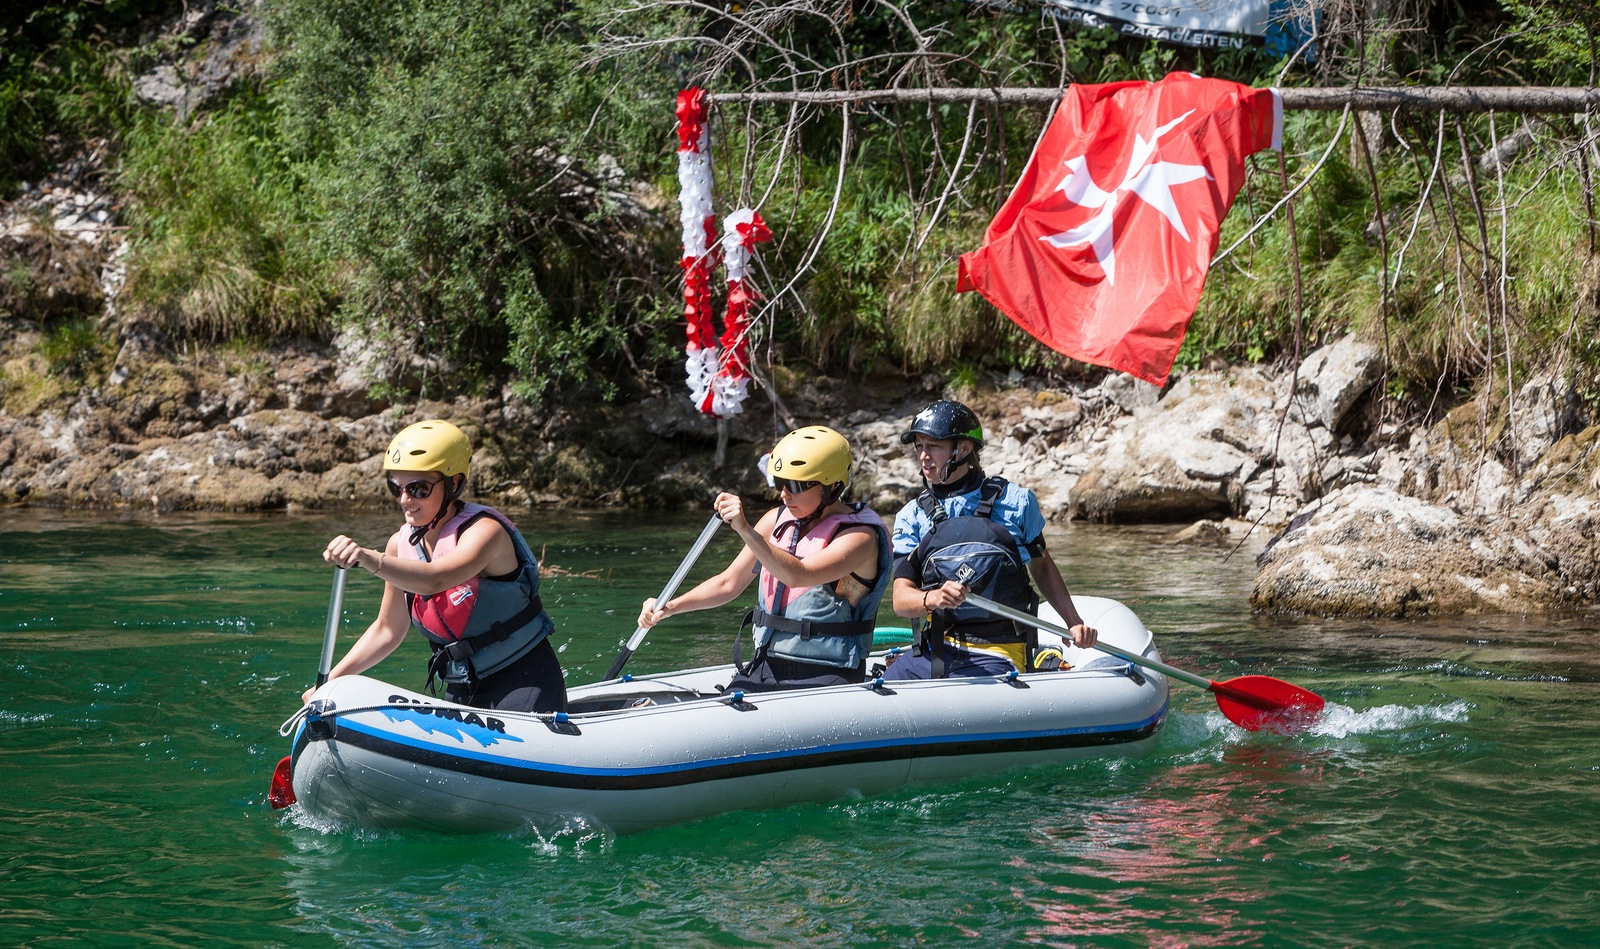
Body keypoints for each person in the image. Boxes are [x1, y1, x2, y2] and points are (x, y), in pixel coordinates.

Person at [305, 419, 567, 713]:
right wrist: (329, 683)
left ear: (453, 484)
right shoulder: (399, 546)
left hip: (523, 680)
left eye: (418, 489)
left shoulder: (485, 533)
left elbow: (435, 579)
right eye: (396, 487)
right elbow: (388, 629)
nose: (405, 499)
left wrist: (368, 558)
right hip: (460, 686)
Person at [636, 425, 891, 692]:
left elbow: (799, 575)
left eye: (796, 485)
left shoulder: (859, 537)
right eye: (781, 483)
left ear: (833, 486)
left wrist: (745, 529)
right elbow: (728, 583)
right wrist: (671, 607)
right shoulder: (776, 520)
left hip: (828, 672)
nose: (784, 494)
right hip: (766, 664)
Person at [884, 399, 1096, 680]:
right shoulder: (912, 515)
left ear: (965, 448)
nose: (924, 456)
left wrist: (1074, 621)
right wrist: (932, 597)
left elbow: (1042, 566)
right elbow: (900, 600)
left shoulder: (1016, 502)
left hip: (998, 651)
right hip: (934, 651)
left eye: (934, 446)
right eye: (919, 446)